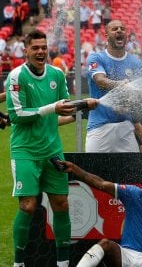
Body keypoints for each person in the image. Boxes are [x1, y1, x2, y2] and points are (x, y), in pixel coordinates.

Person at [5, 30, 99, 267]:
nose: (40, 51)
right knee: (28, 205)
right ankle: (18, 263)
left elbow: (62, 109)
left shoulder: (57, 74)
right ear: (25, 50)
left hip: (52, 150)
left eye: (43, 47)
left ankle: (63, 263)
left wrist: (81, 107)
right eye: (35, 47)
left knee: (62, 203)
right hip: (25, 150)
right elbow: (17, 116)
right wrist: (52, 108)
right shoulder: (16, 77)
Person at [85, 20, 142, 152]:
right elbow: (100, 80)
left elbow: (141, 95)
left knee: (132, 172)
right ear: (106, 35)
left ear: (126, 35)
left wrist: (131, 102)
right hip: (99, 128)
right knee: (94, 170)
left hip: (126, 128)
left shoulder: (136, 63)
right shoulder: (96, 58)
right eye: (114, 29)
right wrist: (119, 84)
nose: (119, 31)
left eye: (122, 28)